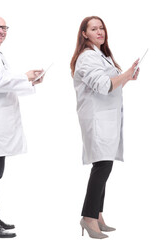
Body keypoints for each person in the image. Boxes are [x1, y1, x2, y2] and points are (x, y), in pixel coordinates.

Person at [0, 16, 44, 238]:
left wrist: (29, 82)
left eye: (4, 28)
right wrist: (25, 76)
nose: (1, 31)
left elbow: (4, 81)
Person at [70, 16, 139, 239]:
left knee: (104, 165)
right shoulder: (87, 57)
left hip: (105, 118)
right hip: (97, 119)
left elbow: (111, 82)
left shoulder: (101, 55)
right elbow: (103, 86)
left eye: (101, 28)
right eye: (94, 29)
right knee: (102, 166)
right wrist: (126, 74)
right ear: (84, 34)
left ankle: (97, 215)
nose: (100, 32)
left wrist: (128, 78)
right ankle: (88, 217)